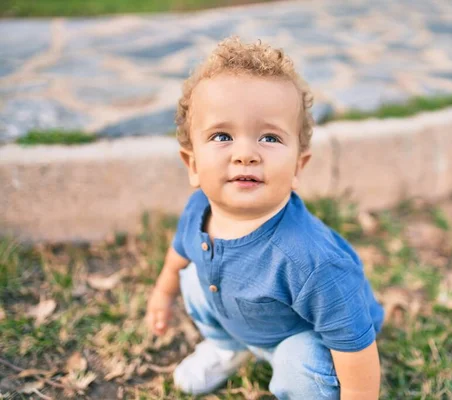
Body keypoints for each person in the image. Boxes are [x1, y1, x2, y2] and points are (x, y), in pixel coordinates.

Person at [145, 36, 384, 400]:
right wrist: (162, 295)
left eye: (269, 138)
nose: (246, 154)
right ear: (192, 164)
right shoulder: (199, 209)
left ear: (298, 166)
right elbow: (177, 254)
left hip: (307, 341)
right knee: (191, 275)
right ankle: (228, 348)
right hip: (243, 319)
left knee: (298, 361)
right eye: (222, 135)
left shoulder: (312, 260)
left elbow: (356, 350)